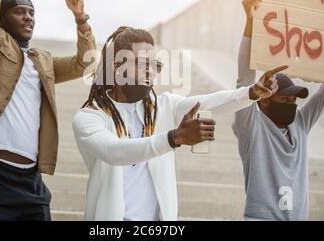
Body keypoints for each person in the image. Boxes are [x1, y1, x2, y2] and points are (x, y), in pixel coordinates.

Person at [72, 26, 285, 220]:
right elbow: (114, 152)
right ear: (117, 66)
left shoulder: (163, 107)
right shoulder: (90, 116)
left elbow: (211, 101)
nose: (150, 71)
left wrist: (251, 92)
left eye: (155, 64)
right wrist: (173, 138)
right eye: (142, 63)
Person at [0, 0, 97, 220]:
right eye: (19, 11)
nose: (28, 17)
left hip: (31, 181)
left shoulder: (42, 61)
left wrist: (80, 17)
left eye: (31, 12)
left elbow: (87, 64)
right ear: (0, 19)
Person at [232, 0, 324, 220]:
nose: (292, 105)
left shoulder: (300, 124)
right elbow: (244, 81)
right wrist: (250, 22)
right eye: (285, 99)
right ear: (264, 101)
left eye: (293, 100)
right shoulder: (251, 127)